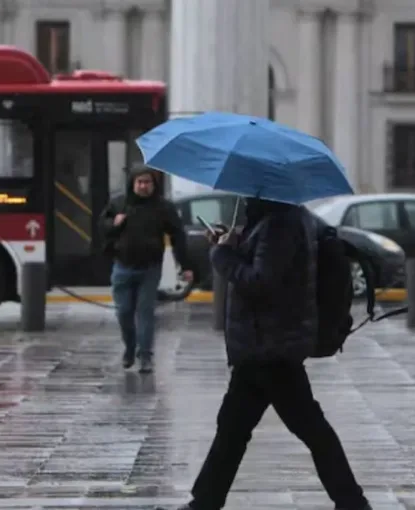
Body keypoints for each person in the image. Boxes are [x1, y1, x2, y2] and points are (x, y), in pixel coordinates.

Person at [164, 197, 371, 510]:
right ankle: (203, 503)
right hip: (262, 345)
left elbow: (262, 281)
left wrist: (222, 255)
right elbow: (264, 266)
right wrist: (231, 241)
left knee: (309, 429)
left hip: (270, 346)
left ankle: (353, 503)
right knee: (234, 430)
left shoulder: (280, 224)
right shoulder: (280, 218)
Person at [100, 168, 193, 374]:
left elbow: (178, 235)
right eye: (140, 182)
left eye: (147, 182)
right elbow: (102, 225)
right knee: (123, 312)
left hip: (150, 268)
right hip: (122, 267)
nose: (143, 186)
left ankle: (145, 356)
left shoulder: (163, 207)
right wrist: (113, 224)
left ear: (154, 185)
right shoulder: (118, 203)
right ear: (132, 183)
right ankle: (130, 347)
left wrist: (185, 265)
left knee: (145, 312)